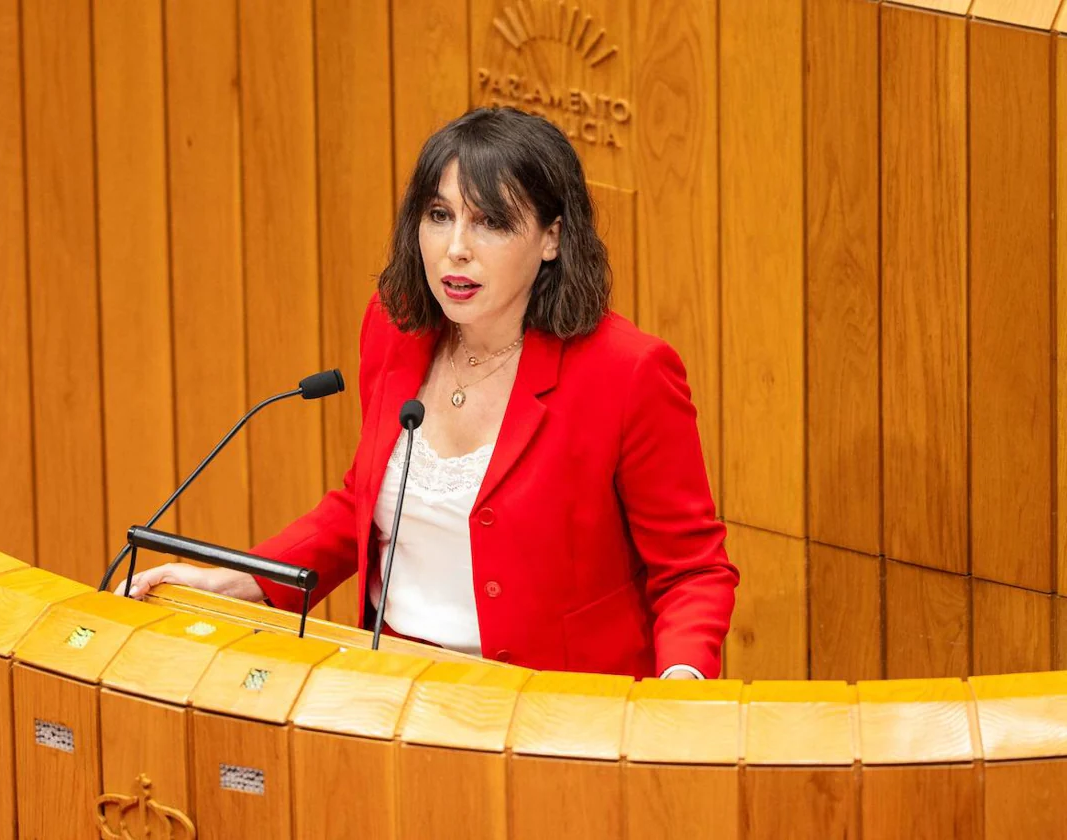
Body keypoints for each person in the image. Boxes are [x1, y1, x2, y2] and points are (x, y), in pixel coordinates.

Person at [117, 107, 738, 679]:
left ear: (552, 238)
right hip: (392, 689)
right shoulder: (397, 326)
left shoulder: (627, 372)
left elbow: (692, 571)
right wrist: (239, 580)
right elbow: (362, 503)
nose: (456, 248)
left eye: (491, 222)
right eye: (439, 215)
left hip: (552, 711)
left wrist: (677, 688)